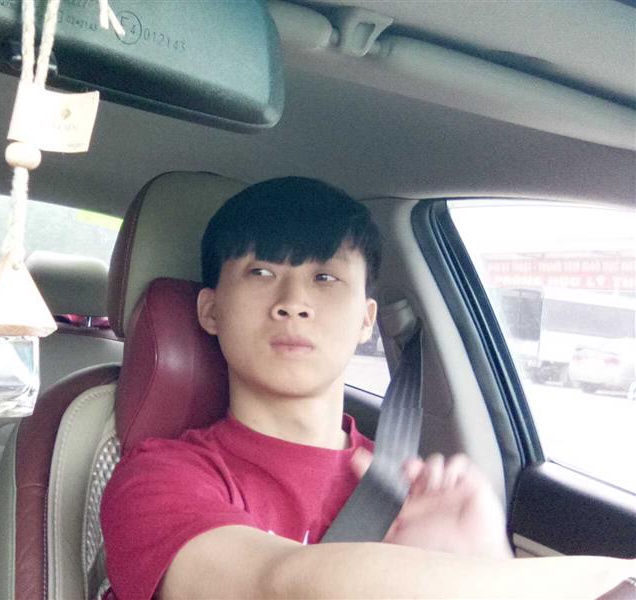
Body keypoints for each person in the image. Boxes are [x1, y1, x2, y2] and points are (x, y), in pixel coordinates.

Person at [101, 177, 634, 600]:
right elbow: (275, 586)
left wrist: (486, 558)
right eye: (261, 272)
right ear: (211, 310)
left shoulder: (412, 492)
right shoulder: (158, 478)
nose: (293, 303)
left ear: (366, 320)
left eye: (325, 278)